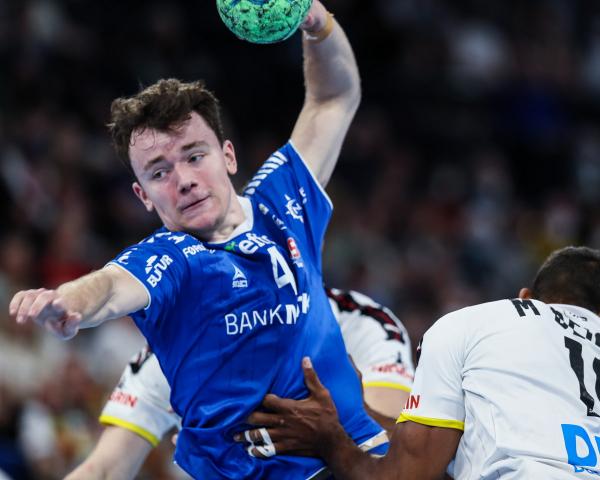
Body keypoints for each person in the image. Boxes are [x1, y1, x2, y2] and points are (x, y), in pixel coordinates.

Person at [8, 2, 389, 478]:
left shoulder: (282, 197)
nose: (184, 180)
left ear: (228, 156)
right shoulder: (169, 259)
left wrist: (316, 20)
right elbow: (109, 285)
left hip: (359, 458)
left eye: (194, 156)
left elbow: (334, 97)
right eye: (159, 172)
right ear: (143, 196)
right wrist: (69, 304)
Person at [240, 246, 600, 479]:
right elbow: (449, 448)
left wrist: (329, 438)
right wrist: (359, 414)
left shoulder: (475, 324)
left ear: (526, 298)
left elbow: (406, 475)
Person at [65, 289, 414, 479]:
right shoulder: (170, 356)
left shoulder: (361, 320)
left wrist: (337, 429)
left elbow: (405, 450)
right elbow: (104, 469)